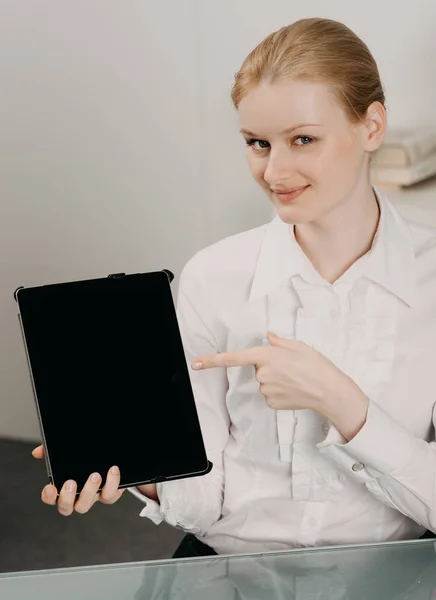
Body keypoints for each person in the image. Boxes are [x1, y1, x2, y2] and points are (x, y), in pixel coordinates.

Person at [33, 17, 436, 559]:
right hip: (229, 568)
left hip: (394, 573)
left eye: (303, 139)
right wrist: (140, 474)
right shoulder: (213, 276)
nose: (275, 171)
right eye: (257, 143)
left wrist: (343, 404)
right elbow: (206, 502)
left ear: (372, 127)